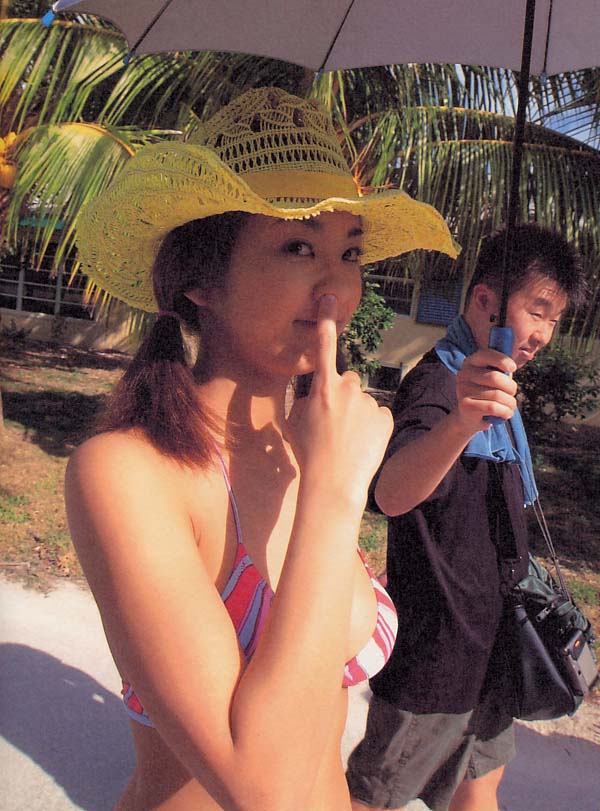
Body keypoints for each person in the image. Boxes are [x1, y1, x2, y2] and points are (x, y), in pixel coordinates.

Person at [64, 86, 458, 811]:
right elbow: (263, 790)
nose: (336, 285)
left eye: (350, 252)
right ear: (201, 281)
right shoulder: (129, 472)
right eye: (298, 246)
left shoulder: (309, 446)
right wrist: (334, 495)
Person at [346, 223, 588, 811]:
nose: (544, 334)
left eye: (555, 319)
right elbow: (391, 494)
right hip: (437, 656)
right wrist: (461, 421)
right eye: (537, 311)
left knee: (480, 791)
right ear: (484, 300)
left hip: (492, 653)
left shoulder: (496, 385)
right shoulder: (440, 384)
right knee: (373, 798)